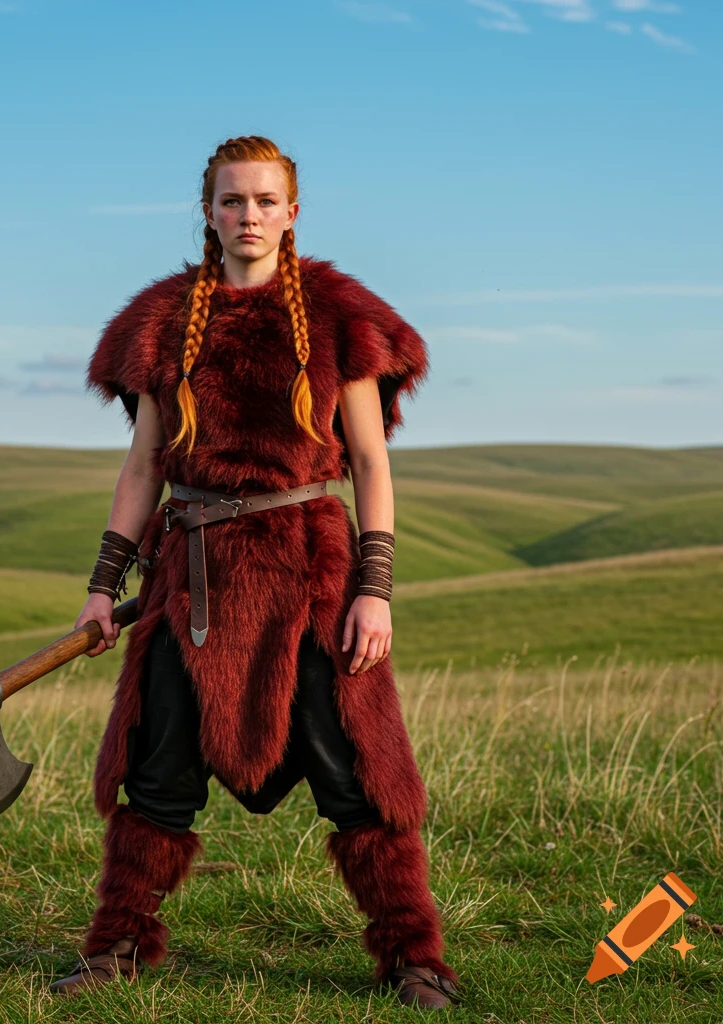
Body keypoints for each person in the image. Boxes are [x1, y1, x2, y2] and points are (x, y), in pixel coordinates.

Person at [50, 136, 459, 1009]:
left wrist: (374, 590)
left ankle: (413, 960)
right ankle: (116, 946)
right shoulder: (164, 322)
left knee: (353, 770)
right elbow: (142, 469)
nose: (249, 217)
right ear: (207, 212)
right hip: (189, 576)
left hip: (311, 572)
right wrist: (101, 584)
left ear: (293, 212)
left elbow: (372, 466)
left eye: (265, 201)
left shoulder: (339, 318)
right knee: (156, 770)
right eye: (233, 201)